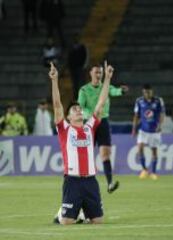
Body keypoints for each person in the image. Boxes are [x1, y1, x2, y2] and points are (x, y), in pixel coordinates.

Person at [49, 60, 113, 225]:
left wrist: (107, 79)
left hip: (91, 181)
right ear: (69, 117)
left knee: (98, 221)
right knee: (66, 222)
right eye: (74, 110)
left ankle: (82, 213)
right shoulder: (64, 129)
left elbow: (100, 103)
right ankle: (63, 213)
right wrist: (54, 81)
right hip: (73, 181)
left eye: (79, 109)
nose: (78, 110)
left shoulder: (89, 126)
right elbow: (57, 105)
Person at [78, 64, 129, 193]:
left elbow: (114, 91)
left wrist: (121, 91)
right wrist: (91, 114)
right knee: (87, 154)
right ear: (90, 73)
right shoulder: (84, 90)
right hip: (90, 123)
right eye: (96, 72)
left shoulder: (105, 88)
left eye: (100, 73)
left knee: (105, 154)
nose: (99, 75)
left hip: (103, 122)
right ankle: (82, 181)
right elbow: (80, 108)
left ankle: (110, 183)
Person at [132, 84, 165, 180]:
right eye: (145, 92)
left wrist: (160, 125)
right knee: (140, 149)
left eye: (149, 91)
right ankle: (144, 170)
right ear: (143, 92)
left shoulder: (158, 101)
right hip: (143, 130)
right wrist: (134, 129)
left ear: (152, 91)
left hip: (155, 131)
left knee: (154, 152)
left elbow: (162, 114)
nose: (147, 93)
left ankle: (153, 173)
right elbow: (136, 115)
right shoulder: (139, 101)